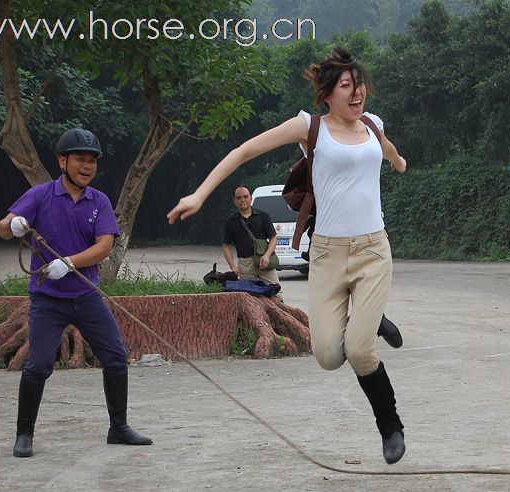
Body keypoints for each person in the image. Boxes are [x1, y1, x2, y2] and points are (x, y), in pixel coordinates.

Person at [168, 47, 408, 464]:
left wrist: (399, 161)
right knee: (329, 356)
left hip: (373, 249)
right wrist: (200, 193)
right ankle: (370, 318)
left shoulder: (372, 124)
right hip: (328, 254)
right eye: (346, 86)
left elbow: (388, 149)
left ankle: (390, 426)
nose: (357, 93)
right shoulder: (309, 127)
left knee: (362, 351)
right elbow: (245, 151)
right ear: (327, 94)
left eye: (359, 84)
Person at [0, 128, 152, 458]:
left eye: (92, 161)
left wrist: (68, 263)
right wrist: (14, 226)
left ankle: (119, 428)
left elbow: (104, 247)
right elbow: (4, 226)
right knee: (38, 365)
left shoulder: (99, 201)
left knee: (115, 358)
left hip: (86, 296)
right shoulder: (40, 195)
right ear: (62, 161)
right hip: (47, 299)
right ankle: (24, 434)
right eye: (80, 159)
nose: (87, 166)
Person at [223, 185, 284, 302]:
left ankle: (280, 319)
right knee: (249, 298)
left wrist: (267, 255)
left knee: (276, 293)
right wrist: (232, 266)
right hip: (245, 265)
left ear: (250, 198)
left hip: (265, 261)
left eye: (245, 197)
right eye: (239, 198)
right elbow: (226, 245)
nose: (242, 200)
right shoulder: (231, 222)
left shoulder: (263, 216)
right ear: (234, 201)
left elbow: (273, 238)